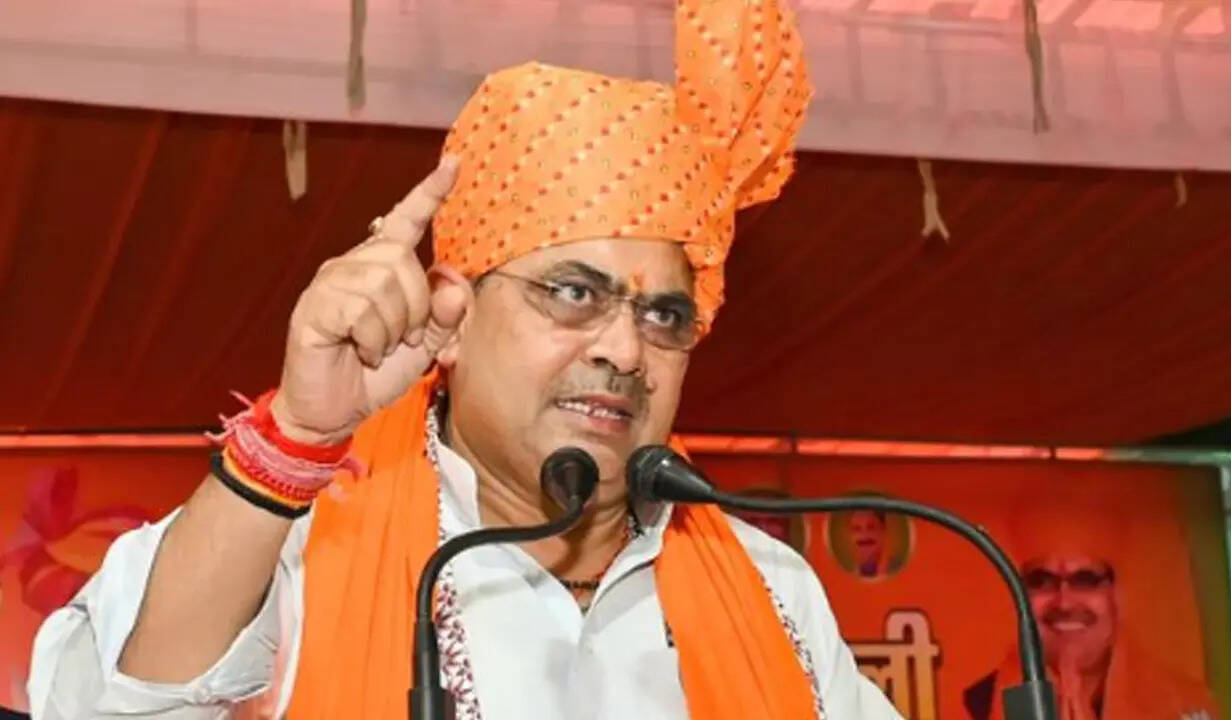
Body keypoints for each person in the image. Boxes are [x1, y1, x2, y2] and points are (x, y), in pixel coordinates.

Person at [26, 1, 902, 718]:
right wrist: (294, 440)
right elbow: (101, 707)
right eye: (573, 292)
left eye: (664, 314)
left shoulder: (772, 586)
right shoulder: (298, 547)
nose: (624, 349)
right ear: (450, 315)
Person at [962, 511, 1219, 720]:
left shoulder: (1184, 702)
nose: (1064, 602)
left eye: (1085, 579)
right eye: (1042, 580)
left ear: (1117, 593)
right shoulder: (981, 702)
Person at [846, 510, 890, 579]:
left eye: (871, 527)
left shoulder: (901, 570)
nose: (864, 535)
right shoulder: (845, 577)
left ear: (883, 531)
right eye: (857, 529)